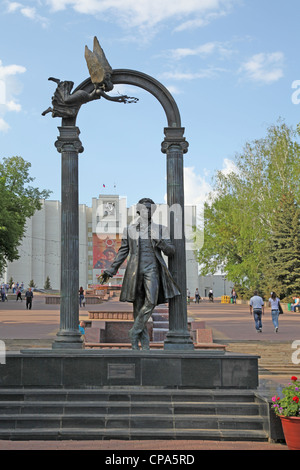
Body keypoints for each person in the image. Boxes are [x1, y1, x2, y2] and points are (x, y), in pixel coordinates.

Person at [98, 198, 180, 350]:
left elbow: (171, 251)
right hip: (135, 271)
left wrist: (159, 240)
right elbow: (123, 252)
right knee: (137, 307)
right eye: (145, 208)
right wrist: (111, 270)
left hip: (153, 269)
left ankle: (134, 331)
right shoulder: (129, 229)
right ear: (138, 210)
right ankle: (141, 345)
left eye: (150, 209)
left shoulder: (161, 229)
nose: (147, 211)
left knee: (151, 300)